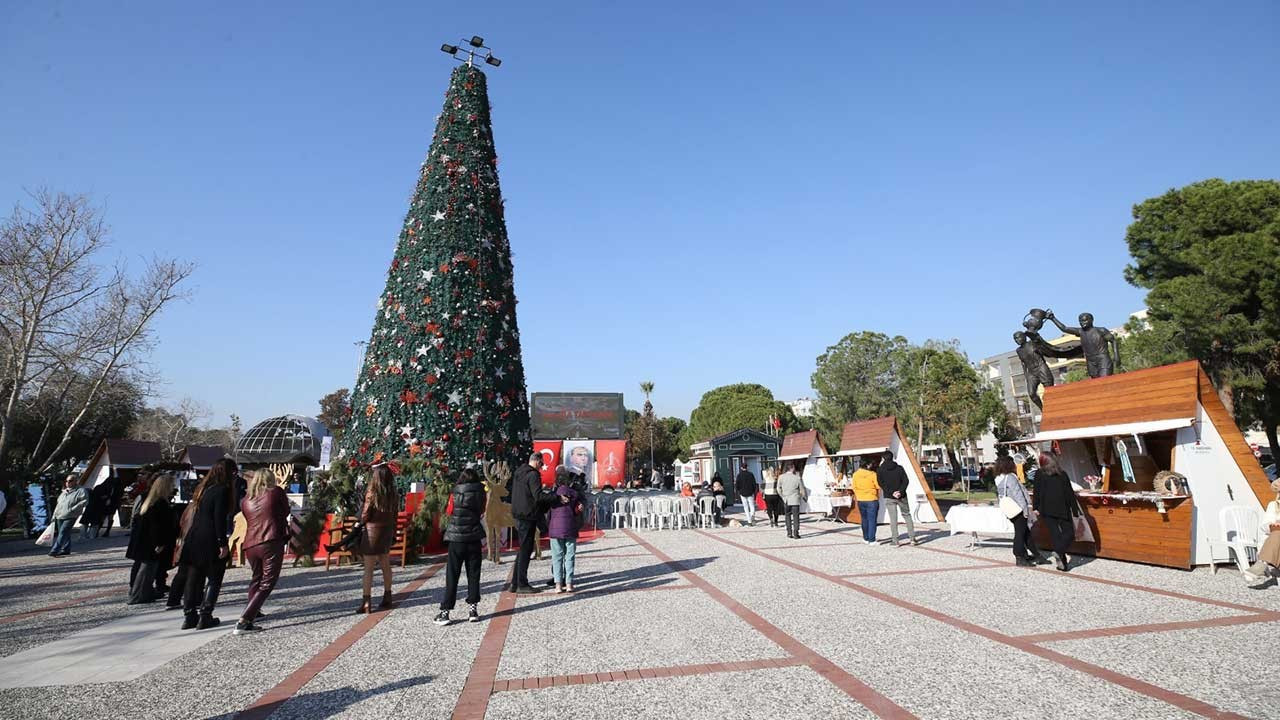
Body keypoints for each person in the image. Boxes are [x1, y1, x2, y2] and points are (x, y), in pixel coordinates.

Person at [179, 459, 236, 630]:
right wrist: (222, 542)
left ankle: (189, 615)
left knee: (193, 576)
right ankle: (205, 614)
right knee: (214, 577)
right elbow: (219, 518)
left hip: (195, 535)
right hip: (210, 537)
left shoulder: (203, 489)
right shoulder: (222, 491)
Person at [235, 468, 291, 634]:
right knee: (268, 581)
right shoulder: (275, 492)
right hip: (270, 540)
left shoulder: (246, 499)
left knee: (257, 578)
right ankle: (244, 620)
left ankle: (254, 608)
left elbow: (247, 517)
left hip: (251, 542)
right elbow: (285, 511)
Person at [435, 468, 487, 626]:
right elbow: (482, 512)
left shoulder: (454, 493)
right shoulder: (481, 493)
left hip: (456, 538)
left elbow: (449, 511)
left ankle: (445, 612)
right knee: (474, 574)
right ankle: (473, 610)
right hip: (473, 537)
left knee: (452, 575)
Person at [127, 474, 177, 605]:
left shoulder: (151, 501)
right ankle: (138, 596)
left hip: (145, 542)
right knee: (146, 571)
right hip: (150, 543)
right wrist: (159, 543)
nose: (173, 488)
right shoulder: (158, 503)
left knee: (147, 570)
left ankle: (144, 593)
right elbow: (156, 526)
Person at [358, 464, 400, 613]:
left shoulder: (372, 492)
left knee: (368, 569)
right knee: (385, 565)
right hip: (387, 531)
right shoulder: (393, 494)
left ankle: (366, 601)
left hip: (372, 533)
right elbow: (395, 515)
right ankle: (388, 596)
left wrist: (361, 522)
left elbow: (365, 515)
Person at [1032, 452, 1082, 571]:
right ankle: (1061, 558)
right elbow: (1069, 494)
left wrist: (1036, 507)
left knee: (1057, 535)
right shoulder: (1061, 474)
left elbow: (1036, 492)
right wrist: (1075, 510)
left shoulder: (1041, 474)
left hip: (1049, 509)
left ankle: (1060, 556)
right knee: (1068, 533)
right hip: (1061, 508)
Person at [994, 456, 1046, 566]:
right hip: (1018, 509)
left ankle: (1036, 555)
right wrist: (1025, 510)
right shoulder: (1011, 477)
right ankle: (1019, 556)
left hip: (1011, 510)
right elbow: (1018, 495)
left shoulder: (1000, 479)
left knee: (1025, 533)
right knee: (1020, 533)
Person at [547, 466, 584, 593]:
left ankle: (558, 585)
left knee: (557, 557)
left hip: (555, 529)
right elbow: (577, 510)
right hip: (570, 527)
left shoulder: (553, 495)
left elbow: (548, 512)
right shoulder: (574, 494)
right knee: (570, 556)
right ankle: (569, 583)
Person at [1242, 479, 1280, 586]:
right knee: (1277, 532)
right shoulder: (1274, 505)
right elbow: (1264, 526)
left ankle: (1262, 563)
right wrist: (1273, 524)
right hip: (1274, 542)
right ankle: (1263, 563)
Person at [876, 450, 917, 546]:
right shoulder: (899, 468)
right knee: (907, 515)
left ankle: (895, 540)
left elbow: (881, 483)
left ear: (883, 459)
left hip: (889, 497)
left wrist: (892, 492)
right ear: (892, 457)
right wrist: (900, 491)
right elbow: (906, 481)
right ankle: (912, 539)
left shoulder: (880, 470)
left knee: (893, 518)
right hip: (902, 496)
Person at [49, 475, 88, 557]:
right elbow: (58, 504)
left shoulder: (80, 490)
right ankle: (66, 549)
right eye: (66, 481)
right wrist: (54, 515)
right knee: (64, 533)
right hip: (60, 515)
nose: (68, 483)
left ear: (75, 481)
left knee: (63, 531)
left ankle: (55, 550)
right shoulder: (64, 492)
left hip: (71, 515)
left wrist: (73, 509)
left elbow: (84, 501)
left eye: (70, 481)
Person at [852, 458, 881, 545]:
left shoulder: (855, 474)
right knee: (872, 520)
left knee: (864, 519)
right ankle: (872, 540)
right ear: (868, 465)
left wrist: (858, 495)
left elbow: (854, 487)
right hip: (871, 499)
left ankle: (865, 538)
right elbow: (878, 486)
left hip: (861, 499)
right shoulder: (872, 474)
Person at [777, 464, 806, 539]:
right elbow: (802, 489)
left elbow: (778, 489)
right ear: (792, 468)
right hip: (795, 500)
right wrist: (803, 497)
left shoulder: (781, 477)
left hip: (786, 500)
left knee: (787, 516)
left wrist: (783, 496)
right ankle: (796, 533)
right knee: (796, 517)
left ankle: (789, 532)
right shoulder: (797, 478)